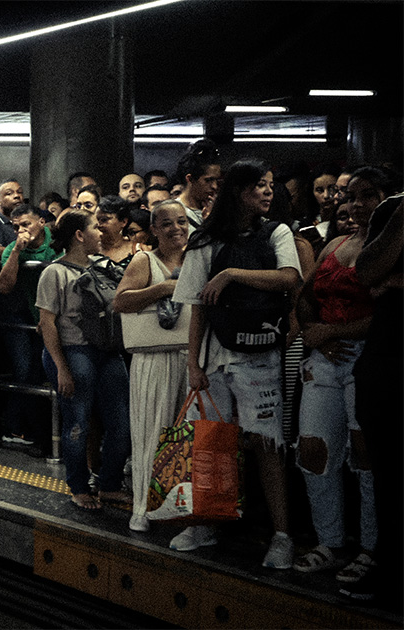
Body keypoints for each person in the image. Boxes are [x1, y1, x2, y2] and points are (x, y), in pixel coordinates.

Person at [170, 158, 302, 569]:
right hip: (215, 358)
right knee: (210, 446)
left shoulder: (276, 232)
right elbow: (196, 308)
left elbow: (290, 278)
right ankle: (205, 522)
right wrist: (194, 365)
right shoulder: (204, 241)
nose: (267, 192)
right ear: (238, 192)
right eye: (259, 186)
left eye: (269, 185)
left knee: (267, 445)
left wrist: (231, 274)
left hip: (261, 356)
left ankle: (282, 535)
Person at [291, 174, 378, 580]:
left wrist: (335, 333)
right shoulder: (336, 244)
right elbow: (306, 296)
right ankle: (330, 541)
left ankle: (371, 547)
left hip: (367, 357)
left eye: (368, 197)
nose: (356, 206)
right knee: (313, 450)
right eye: (351, 197)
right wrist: (314, 334)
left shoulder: (389, 249)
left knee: (366, 458)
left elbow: (390, 315)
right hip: (324, 357)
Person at [37, 208, 131, 511]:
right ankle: (78, 486)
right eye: (94, 227)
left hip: (106, 351)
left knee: (121, 422)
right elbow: (47, 323)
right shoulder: (54, 272)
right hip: (73, 351)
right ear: (79, 235)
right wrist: (61, 367)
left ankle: (110, 483)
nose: (101, 232)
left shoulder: (103, 267)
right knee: (78, 422)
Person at [114, 199, 191, 531]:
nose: (177, 228)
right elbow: (120, 301)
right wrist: (162, 288)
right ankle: (143, 506)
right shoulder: (145, 260)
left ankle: (182, 507)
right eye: (168, 223)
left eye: (182, 222)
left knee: (186, 436)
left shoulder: (198, 259)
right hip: (152, 357)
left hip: (191, 356)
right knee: (151, 432)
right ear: (155, 230)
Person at [348, 166, 402, 603]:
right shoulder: (392, 213)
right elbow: (366, 273)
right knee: (387, 470)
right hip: (387, 357)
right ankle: (389, 563)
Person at [0, 203, 62, 446]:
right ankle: (33, 433)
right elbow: (4, 286)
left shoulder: (57, 244)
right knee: (26, 372)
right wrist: (16, 252)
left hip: (57, 317)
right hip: (29, 318)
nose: (22, 230)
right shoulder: (13, 249)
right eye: (16, 227)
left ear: (41, 223)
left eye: (26, 224)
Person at [174, 139, 222, 227]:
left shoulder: (219, 211)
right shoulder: (172, 213)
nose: (214, 186)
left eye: (217, 180)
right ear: (190, 179)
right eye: (208, 180)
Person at [95, 195, 136, 268]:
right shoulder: (89, 250)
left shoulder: (138, 250)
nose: (98, 225)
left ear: (123, 222)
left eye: (104, 220)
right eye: (96, 220)